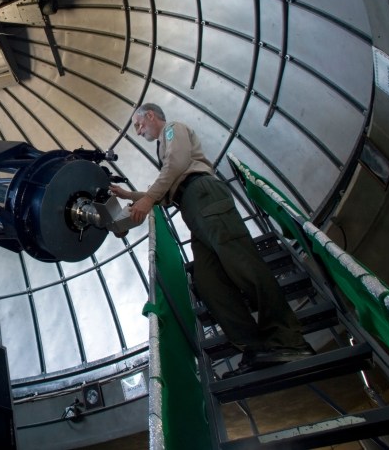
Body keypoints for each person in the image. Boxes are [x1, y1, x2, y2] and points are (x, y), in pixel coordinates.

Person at [110, 103, 314, 374]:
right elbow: (169, 187)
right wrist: (130, 197)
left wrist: (147, 198)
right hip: (192, 209)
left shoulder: (173, 130)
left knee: (243, 264)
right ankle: (255, 347)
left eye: (138, 125)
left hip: (203, 194)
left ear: (150, 115)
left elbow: (179, 165)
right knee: (208, 282)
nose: (138, 131)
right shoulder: (164, 150)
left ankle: (289, 339)